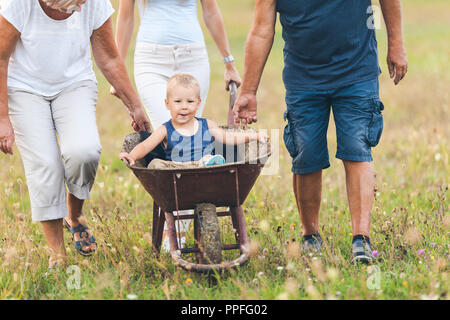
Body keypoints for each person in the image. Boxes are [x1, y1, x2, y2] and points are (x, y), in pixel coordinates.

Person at [233, 0, 408, 263]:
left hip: (357, 69)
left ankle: (361, 239)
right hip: (303, 77)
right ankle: (310, 236)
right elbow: (261, 30)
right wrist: (248, 90)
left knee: (357, 148)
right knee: (306, 155)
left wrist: (396, 43)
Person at [0, 0, 150, 269]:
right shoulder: (17, 4)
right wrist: (2, 118)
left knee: (84, 151)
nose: (81, 9)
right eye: (75, 3)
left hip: (74, 83)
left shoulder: (92, 2)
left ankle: (76, 216)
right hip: (24, 88)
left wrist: (135, 105)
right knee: (45, 165)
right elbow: (0, 58)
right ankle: (57, 253)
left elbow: (109, 57)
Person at [112, 0, 242, 130]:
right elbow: (125, 18)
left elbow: (211, 13)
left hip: (193, 60)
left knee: (188, 131)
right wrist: (117, 74)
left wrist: (229, 63)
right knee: (169, 131)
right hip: (151, 63)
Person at [120, 73, 267, 168]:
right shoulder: (165, 129)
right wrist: (131, 156)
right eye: (178, 101)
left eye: (190, 102)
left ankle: (210, 163)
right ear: (167, 104)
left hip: (203, 167)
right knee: (155, 164)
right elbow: (146, 146)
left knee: (211, 160)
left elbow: (228, 137)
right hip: (176, 171)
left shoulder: (206, 125)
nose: (184, 107)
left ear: (198, 104)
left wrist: (254, 136)